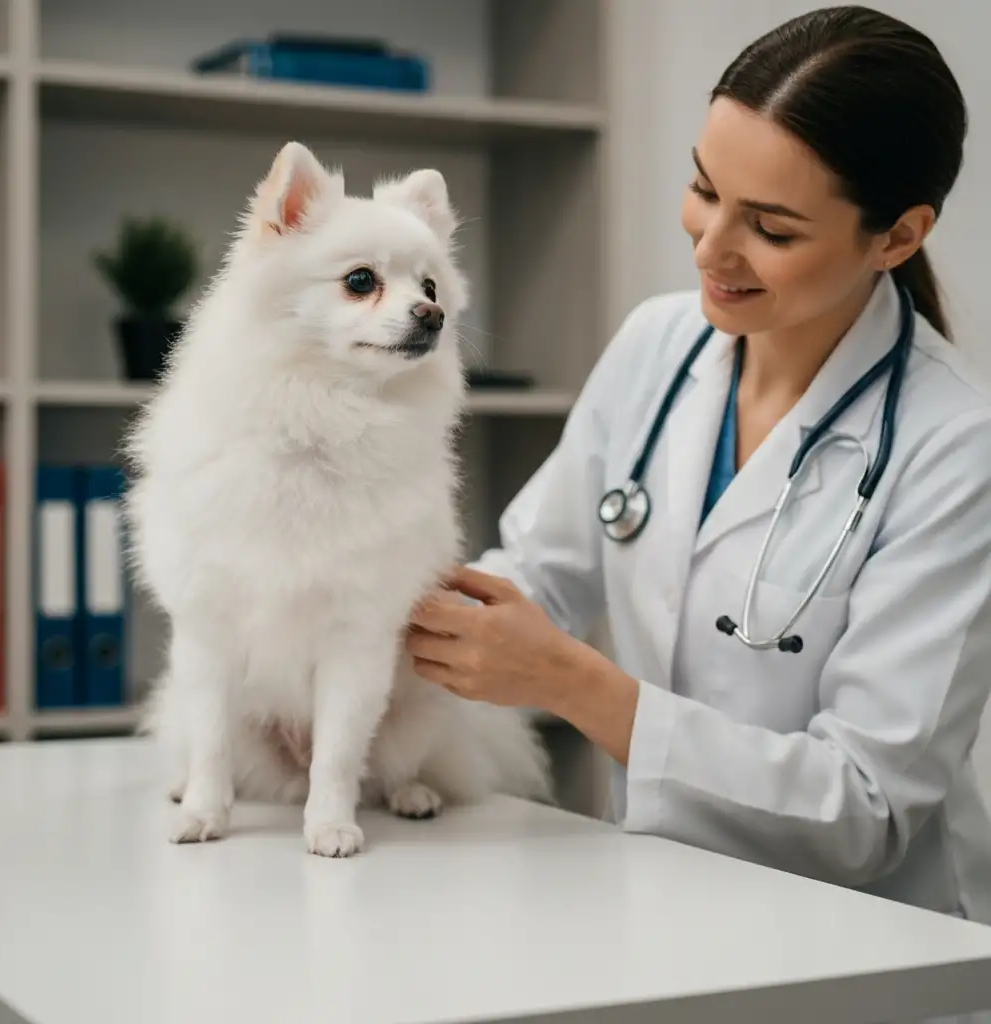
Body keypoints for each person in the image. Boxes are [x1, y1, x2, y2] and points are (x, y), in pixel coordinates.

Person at [406, 2, 991, 953]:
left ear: (897, 236)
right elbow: (535, 580)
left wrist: (577, 685)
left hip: (866, 958)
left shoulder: (954, 445)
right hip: (657, 911)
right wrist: (360, 607)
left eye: (769, 226)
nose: (709, 246)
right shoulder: (659, 344)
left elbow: (866, 809)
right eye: (702, 187)